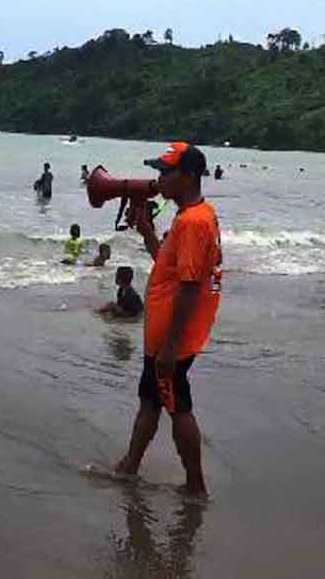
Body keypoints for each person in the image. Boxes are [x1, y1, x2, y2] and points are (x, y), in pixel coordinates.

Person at [114, 142, 222, 496]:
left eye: (165, 172)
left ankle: (195, 485)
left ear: (188, 176)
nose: (158, 179)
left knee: (177, 407)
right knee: (152, 400)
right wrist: (146, 231)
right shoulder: (195, 214)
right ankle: (129, 466)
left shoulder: (192, 222)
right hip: (167, 335)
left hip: (171, 340)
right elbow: (170, 267)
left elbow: (190, 287)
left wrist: (170, 346)